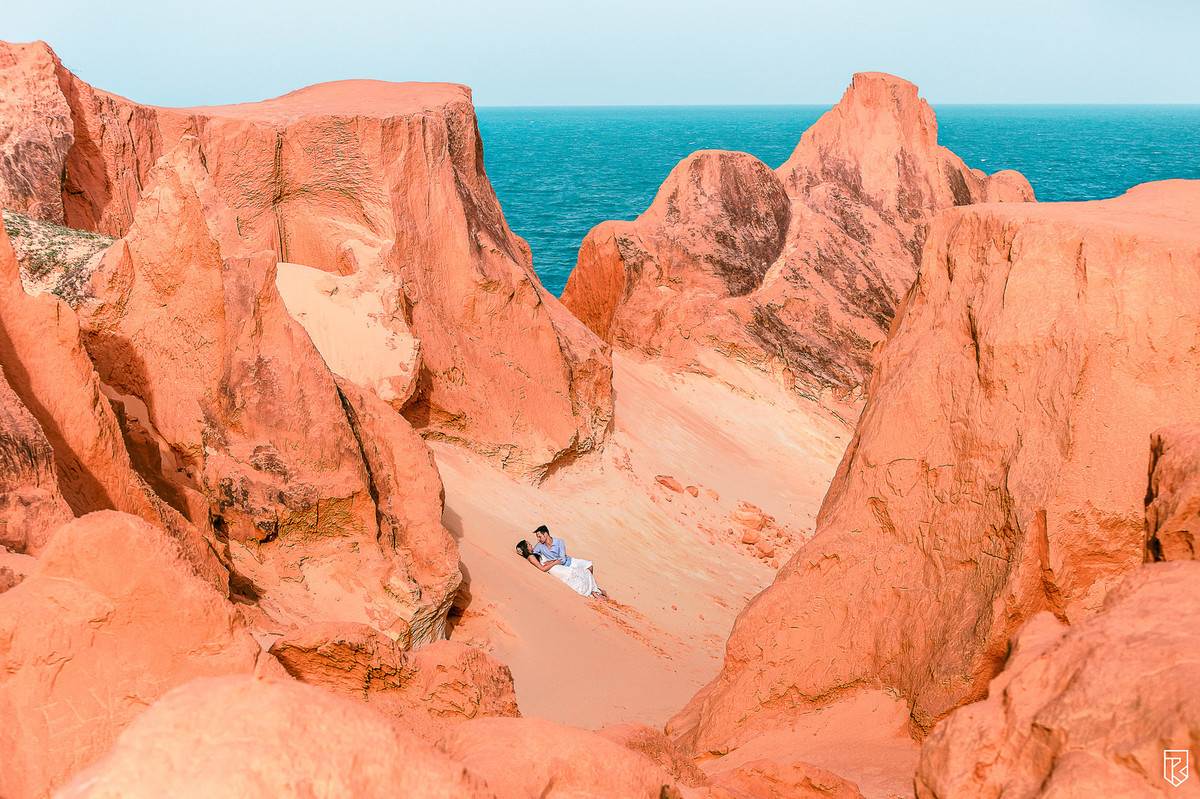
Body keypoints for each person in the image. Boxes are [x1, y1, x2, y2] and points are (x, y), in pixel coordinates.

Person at [515, 533, 608, 600]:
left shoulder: (534, 554)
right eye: (528, 544)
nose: (531, 545)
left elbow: (544, 562)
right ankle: (596, 593)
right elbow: (542, 568)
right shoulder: (531, 557)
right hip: (555, 569)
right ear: (525, 548)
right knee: (581, 574)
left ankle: (597, 592)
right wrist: (555, 562)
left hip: (555, 567)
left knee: (582, 574)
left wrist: (552, 561)